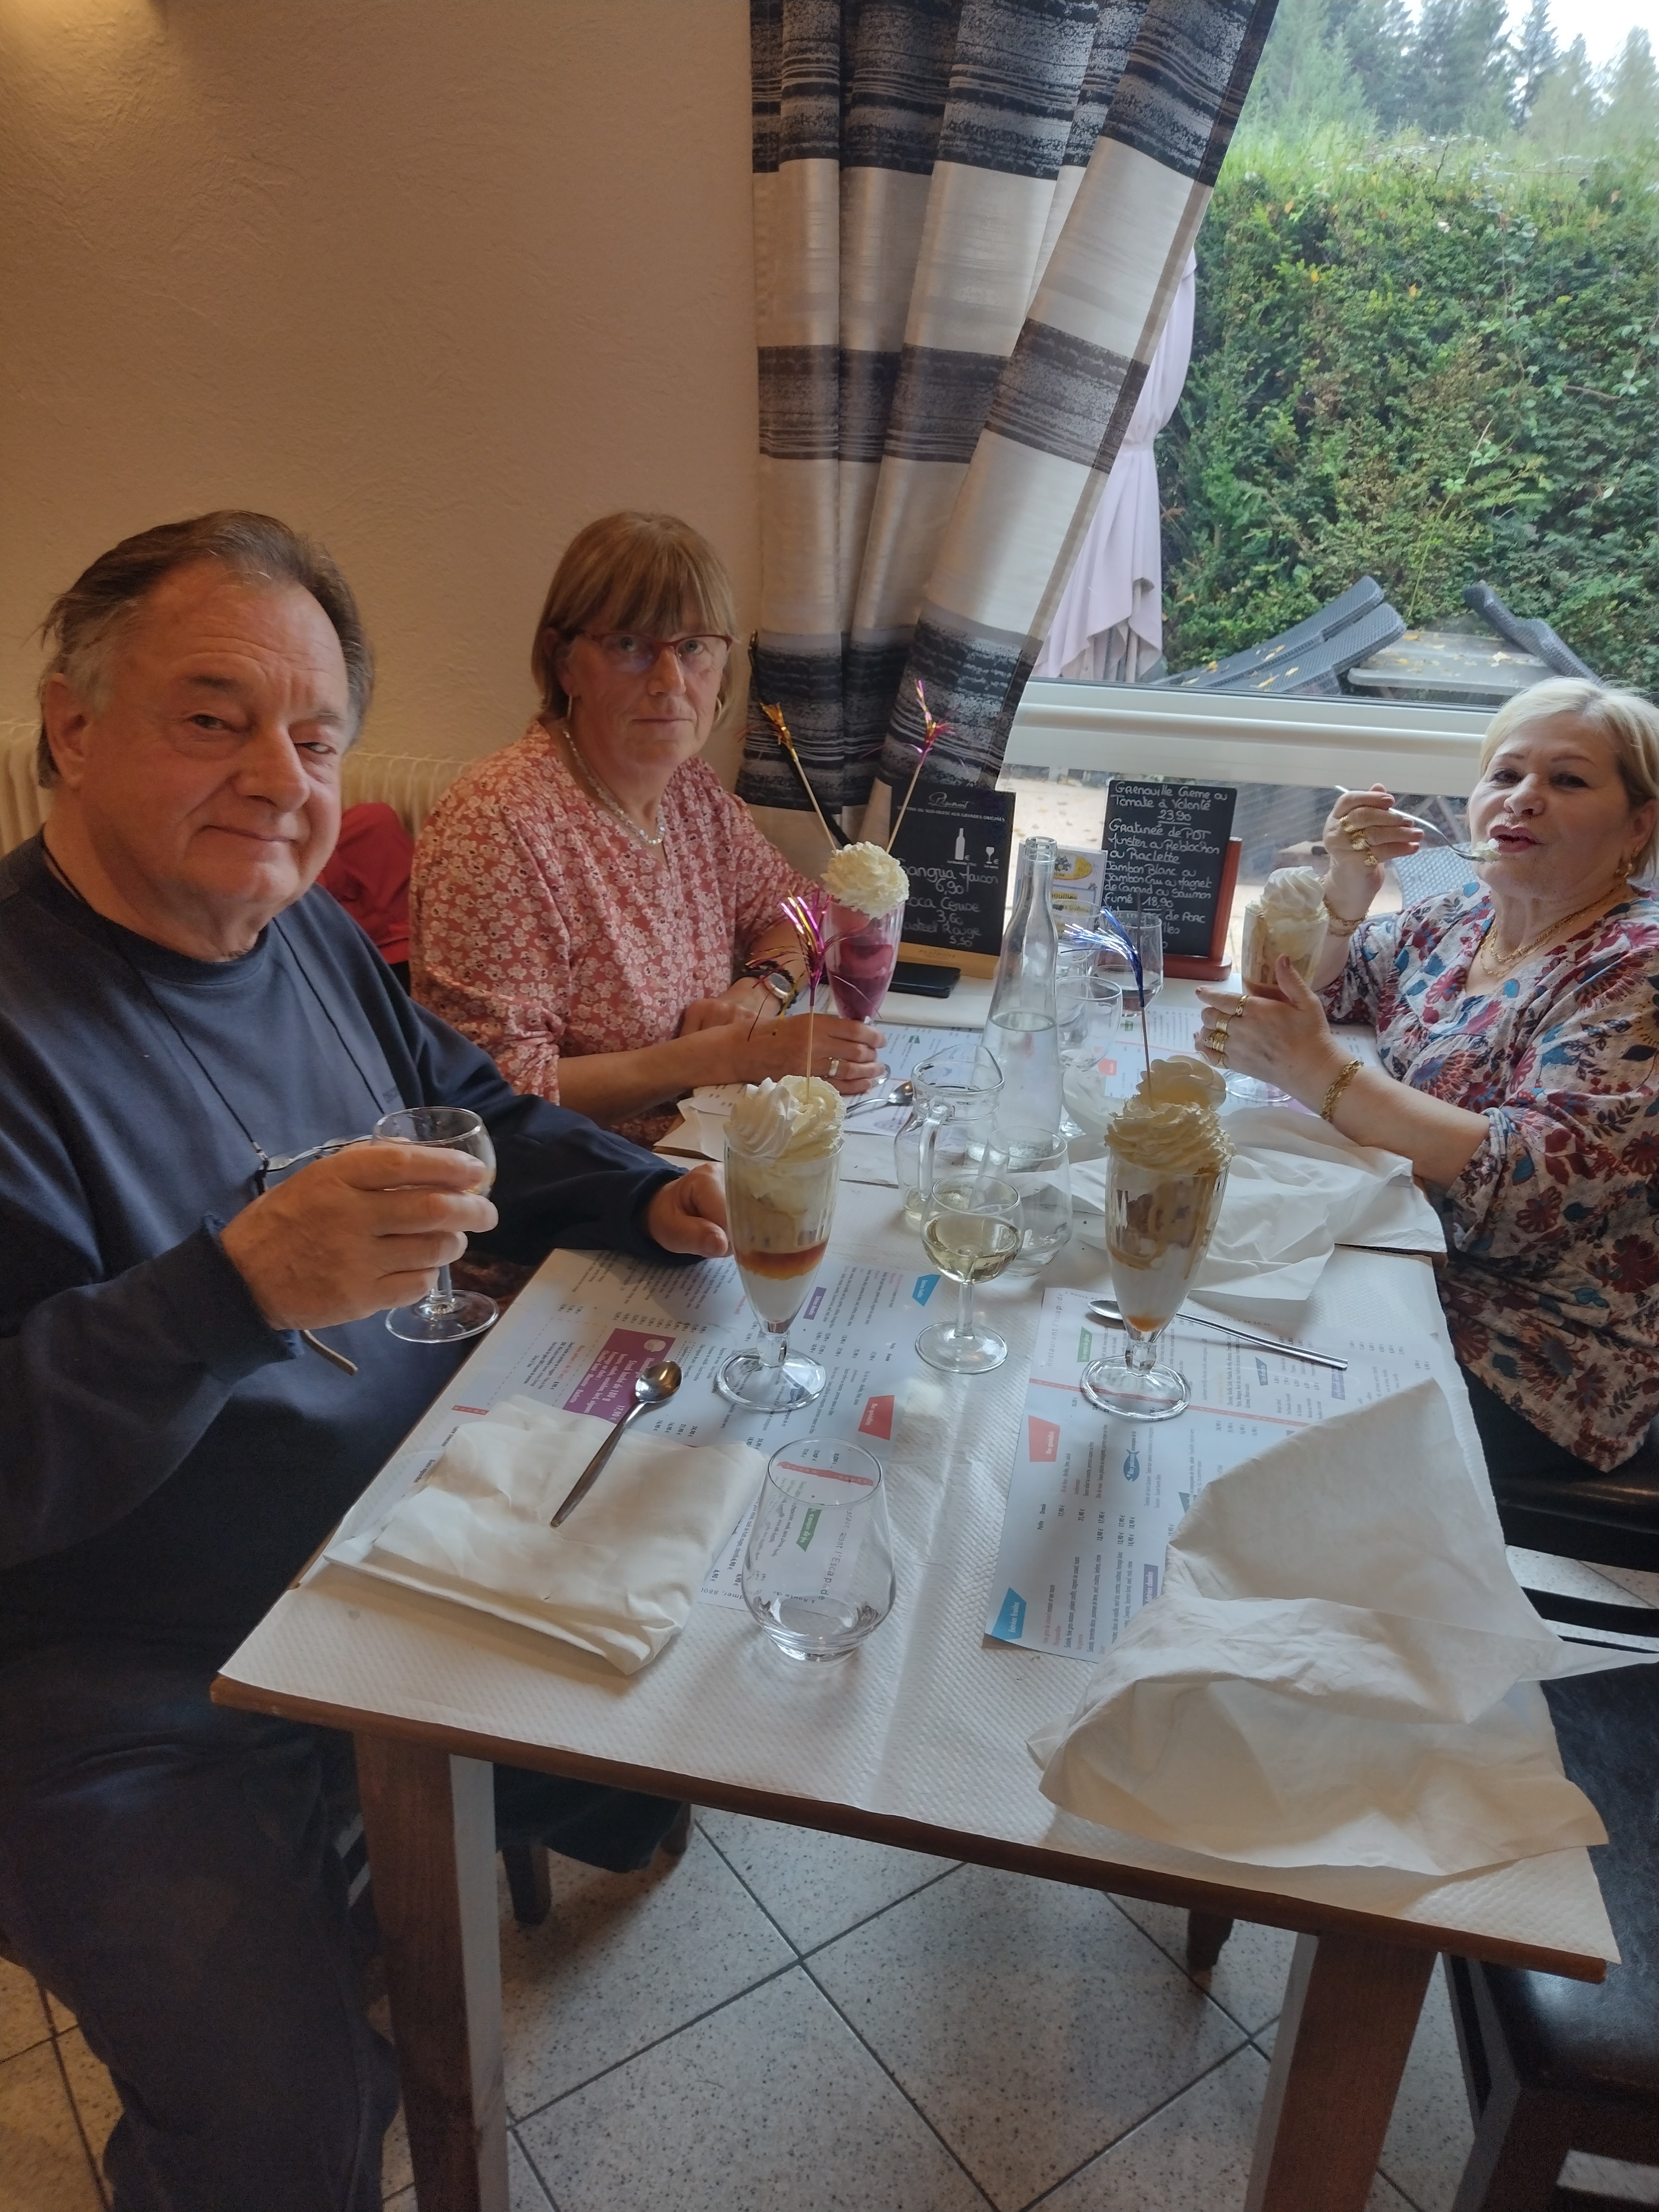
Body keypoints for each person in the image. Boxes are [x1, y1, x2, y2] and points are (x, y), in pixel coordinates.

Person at [0, 511, 733, 2212]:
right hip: (110, 1677)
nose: (281, 778)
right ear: (71, 727)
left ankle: (511, 1811)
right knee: (295, 2133)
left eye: (316, 739)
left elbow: (467, 1111)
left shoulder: (302, 936)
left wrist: (646, 1194)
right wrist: (230, 1292)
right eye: (215, 717)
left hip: (397, 1540)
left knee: (685, 1712)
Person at [1194, 678, 1659, 1477]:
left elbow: (1529, 1186)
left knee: (1225, 1395)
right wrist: (1348, 886)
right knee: (1184, 1278)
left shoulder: (1637, 967)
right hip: (1394, 1250)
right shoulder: (1464, 916)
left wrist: (1319, 1071)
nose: (1524, 798)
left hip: (1532, 1345)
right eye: (1505, 775)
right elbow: (1333, 987)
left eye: (1568, 780)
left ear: (1639, 825)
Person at [409, 511, 884, 1143]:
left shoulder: (691, 793)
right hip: (574, 1181)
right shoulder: (499, 824)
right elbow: (489, 1097)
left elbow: (804, 913)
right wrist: (728, 1055)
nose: (670, 682)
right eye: (630, 645)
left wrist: (762, 990)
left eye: (693, 648)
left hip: (693, 1150)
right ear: (563, 662)